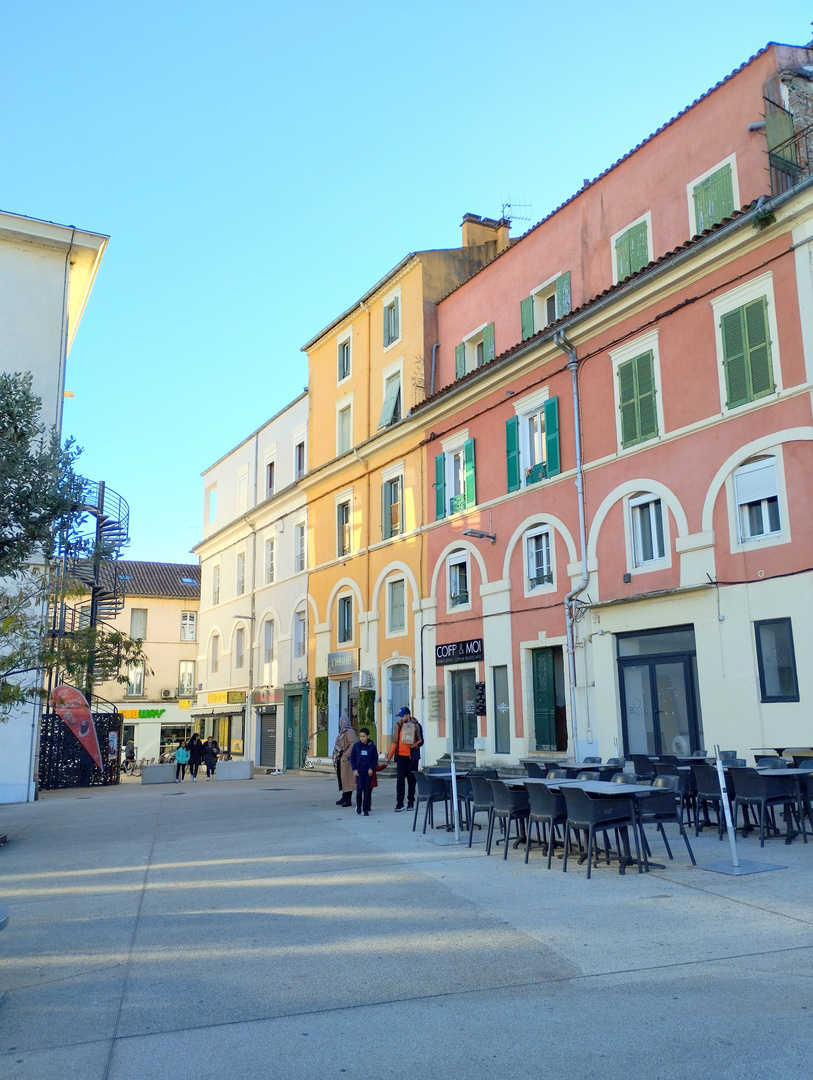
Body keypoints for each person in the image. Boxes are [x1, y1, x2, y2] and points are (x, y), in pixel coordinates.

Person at [385, 706, 423, 812]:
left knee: (411, 781)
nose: (401, 718)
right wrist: (389, 757)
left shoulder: (416, 725)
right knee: (400, 781)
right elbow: (394, 742)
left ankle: (411, 802)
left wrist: (415, 745)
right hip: (401, 757)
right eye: (400, 716)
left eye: (402, 716)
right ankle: (399, 803)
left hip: (412, 758)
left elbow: (421, 741)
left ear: (408, 715)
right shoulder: (398, 726)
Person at [350, 727, 378, 816]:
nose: (362, 738)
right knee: (359, 790)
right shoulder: (357, 746)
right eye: (361, 736)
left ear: (368, 736)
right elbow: (353, 758)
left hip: (368, 772)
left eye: (364, 736)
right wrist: (354, 769)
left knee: (366, 791)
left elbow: (375, 758)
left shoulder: (372, 746)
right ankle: (358, 806)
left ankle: (365, 809)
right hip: (359, 772)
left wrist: (371, 768)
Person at [333, 716, 358, 807]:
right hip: (341, 759)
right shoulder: (342, 732)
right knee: (342, 778)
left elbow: (354, 743)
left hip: (347, 760)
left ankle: (348, 799)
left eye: (341, 722)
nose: (340, 724)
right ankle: (344, 796)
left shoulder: (349, 732)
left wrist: (347, 754)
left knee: (348, 779)